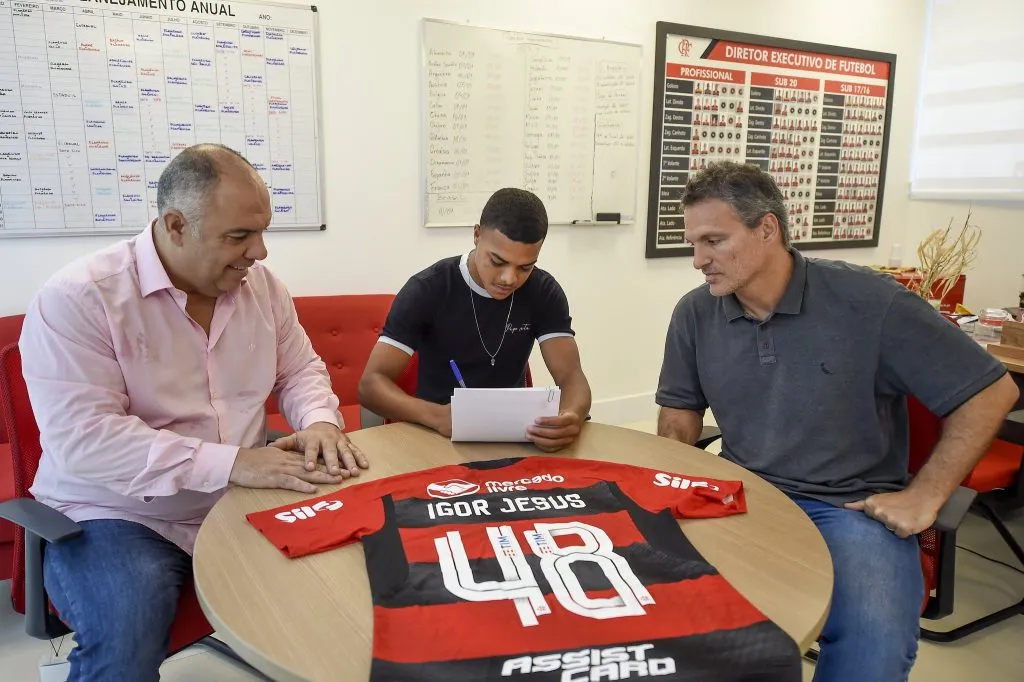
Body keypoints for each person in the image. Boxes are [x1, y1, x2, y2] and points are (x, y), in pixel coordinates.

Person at [654, 161, 1018, 682]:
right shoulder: (696, 312)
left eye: (713, 240)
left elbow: (992, 391)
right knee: (670, 621)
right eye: (694, 243)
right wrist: (673, 484)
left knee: (875, 646)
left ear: (767, 229)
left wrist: (927, 494)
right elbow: (679, 412)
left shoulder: (872, 303)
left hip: (849, 506)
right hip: (742, 495)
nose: (698, 260)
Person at [19, 143, 368, 682]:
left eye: (262, 232)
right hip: (119, 512)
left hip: (237, 502)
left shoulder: (263, 290)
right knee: (126, 639)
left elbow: (300, 371)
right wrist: (233, 463)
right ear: (176, 225)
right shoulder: (80, 298)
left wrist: (319, 420)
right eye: (239, 237)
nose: (260, 252)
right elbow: (86, 441)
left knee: (356, 586)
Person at [359, 187, 591, 451]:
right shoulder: (429, 288)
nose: (509, 278)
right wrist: (438, 417)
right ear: (477, 235)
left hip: (514, 436)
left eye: (525, 267)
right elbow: (370, 385)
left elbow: (572, 377)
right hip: (434, 435)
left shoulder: (544, 291)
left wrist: (571, 415)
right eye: (497, 261)